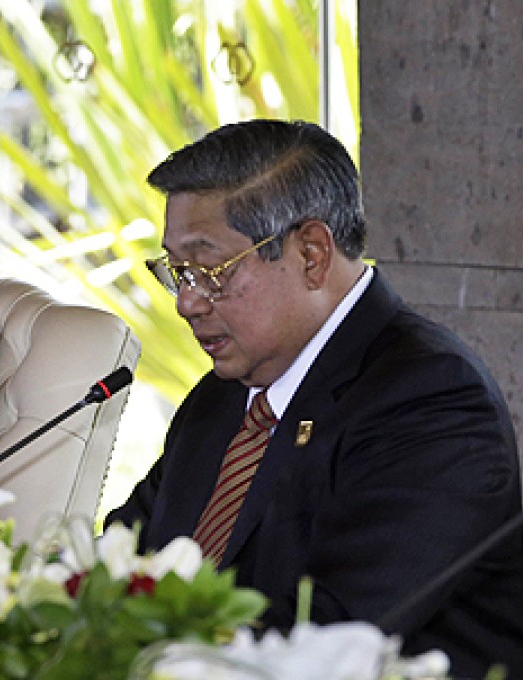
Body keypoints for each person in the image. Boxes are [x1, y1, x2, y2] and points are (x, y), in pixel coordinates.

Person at [106, 119, 523, 677]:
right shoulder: (225, 396)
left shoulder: (431, 401)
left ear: (310, 253)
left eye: (210, 271)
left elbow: (334, 636)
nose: (187, 303)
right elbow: (122, 554)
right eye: (177, 272)